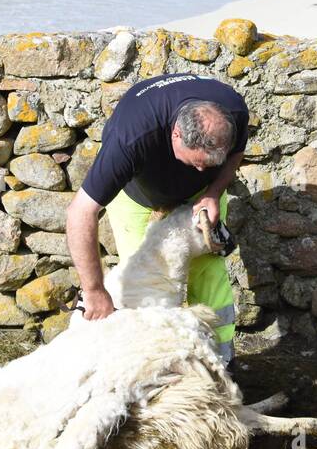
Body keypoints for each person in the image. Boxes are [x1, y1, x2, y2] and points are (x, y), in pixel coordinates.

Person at [66, 73, 249, 364]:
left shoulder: (233, 110)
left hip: (202, 196)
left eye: (210, 164)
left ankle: (221, 365)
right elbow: (80, 212)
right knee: (141, 282)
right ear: (176, 134)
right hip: (137, 191)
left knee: (208, 270)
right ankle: (149, 369)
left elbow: (236, 154)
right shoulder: (129, 138)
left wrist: (213, 190)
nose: (201, 170)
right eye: (196, 162)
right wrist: (94, 290)